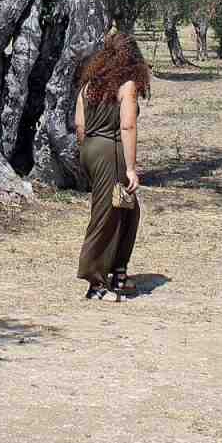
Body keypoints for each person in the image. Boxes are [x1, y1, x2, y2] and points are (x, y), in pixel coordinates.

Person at [75, 32, 150, 301]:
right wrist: (130, 168)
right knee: (106, 215)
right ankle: (95, 282)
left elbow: (80, 125)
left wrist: (88, 154)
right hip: (112, 152)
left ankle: (118, 271)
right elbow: (127, 125)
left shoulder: (89, 85)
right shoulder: (127, 86)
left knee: (128, 211)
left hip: (92, 148)